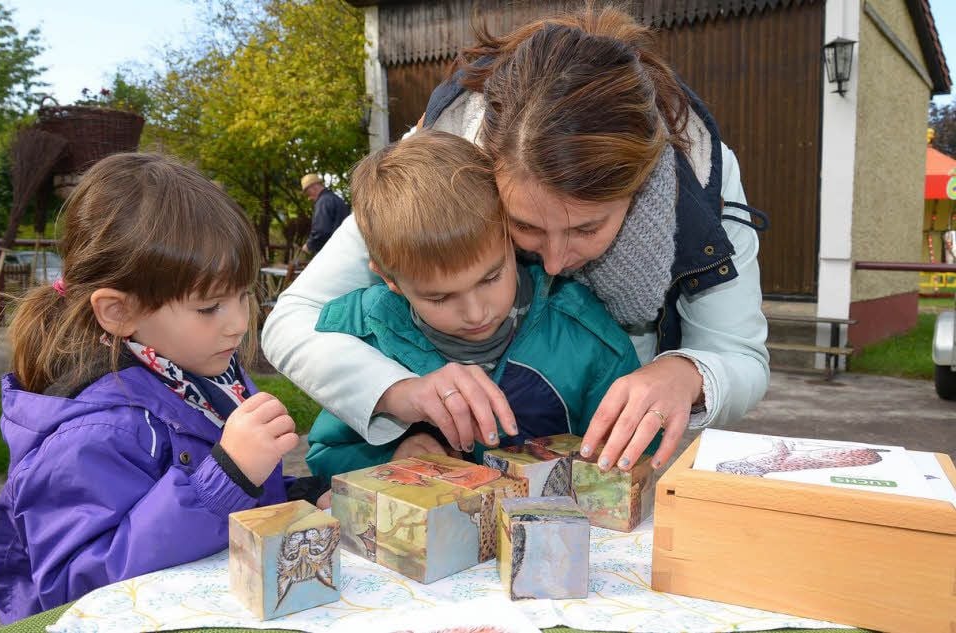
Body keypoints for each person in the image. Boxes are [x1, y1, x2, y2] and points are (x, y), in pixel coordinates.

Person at [262, 3, 768, 478]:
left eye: (587, 228)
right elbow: (292, 319)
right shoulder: (441, 164)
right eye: (524, 226)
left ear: (638, 192)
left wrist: (686, 374)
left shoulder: (702, 180)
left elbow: (741, 355)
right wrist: (397, 393)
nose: (552, 262)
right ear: (487, 165)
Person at [0, 153, 319, 624]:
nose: (240, 324)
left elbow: (238, 500)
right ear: (119, 312)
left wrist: (300, 501)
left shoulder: (202, 373)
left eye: (243, 295)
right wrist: (227, 478)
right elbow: (77, 588)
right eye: (210, 308)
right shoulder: (89, 433)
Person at [304, 130, 641, 479]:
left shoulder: (585, 335)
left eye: (491, 277)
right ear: (389, 280)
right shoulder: (370, 342)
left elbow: (634, 459)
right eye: (439, 297)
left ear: (513, 235)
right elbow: (326, 454)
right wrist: (393, 454)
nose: (477, 313)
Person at [301, 173, 350, 254]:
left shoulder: (323, 202)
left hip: (331, 253)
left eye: (308, 192)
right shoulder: (338, 200)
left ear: (314, 187)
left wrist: (309, 245)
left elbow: (321, 230)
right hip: (343, 250)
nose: (309, 197)